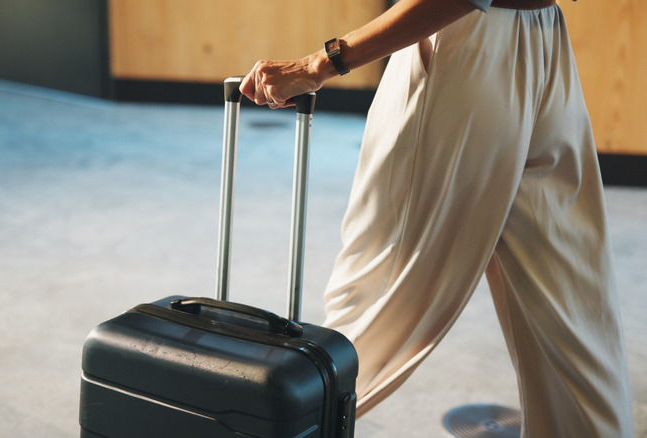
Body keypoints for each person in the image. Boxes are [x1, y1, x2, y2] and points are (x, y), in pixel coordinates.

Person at [239, 0, 634, 436]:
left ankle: (258, 424)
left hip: (482, 42)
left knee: (379, 303)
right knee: (570, 303)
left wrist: (323, 61)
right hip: (528, 35)